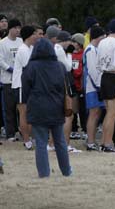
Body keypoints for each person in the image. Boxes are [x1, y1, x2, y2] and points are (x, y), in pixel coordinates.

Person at [22, 38, 72, 178]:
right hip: (56, 107)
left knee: (41, 143)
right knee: (60, 141)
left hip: (37, 107)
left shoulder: (30, 67)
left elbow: (25, 90)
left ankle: (44, 173)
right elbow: (64, 88)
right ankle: (66, 171)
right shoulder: (60, 66)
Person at [97, 19, 115, 152]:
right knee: (113, 114)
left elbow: (98, 63)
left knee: (108, 112)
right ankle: (108, 143)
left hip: (104, 76)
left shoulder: (102, 42)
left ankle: (104, 142)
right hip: (114, 77)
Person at [11, 25, 43, 150]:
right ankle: (26, 140)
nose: (37, 36)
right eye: (35, 34)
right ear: (29, 35)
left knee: (30, 113)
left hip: (29, 85)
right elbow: (29, 68)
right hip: (20, 85)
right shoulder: (23, 50)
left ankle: (30, 138)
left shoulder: (31, 48)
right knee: (23, 113)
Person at [83, 26, 106, 151]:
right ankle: (90, 142)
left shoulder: (95, 49)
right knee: (93, 114)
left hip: (96, 86)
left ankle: (92, 141)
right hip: (93, 87)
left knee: (97, 114)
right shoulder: (91, 50)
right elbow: (92, 70)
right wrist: (98, 86)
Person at [0, 19, 22, 141]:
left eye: (19, 28)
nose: (17, 30)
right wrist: (10, 69)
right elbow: (1, 60)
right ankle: (10, 133)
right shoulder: (3, 43)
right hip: (8, 79)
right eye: (15, 28)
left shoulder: (20, 41)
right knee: (9, 108)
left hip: (19, 80)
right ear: (10, 29)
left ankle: (21, 130)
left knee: (21, 107)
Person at [70, 33, 86, 140]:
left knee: (83, 109)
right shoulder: (70, 54)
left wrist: (75, 71)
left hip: (81, 85)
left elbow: (78, 71)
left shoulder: (83, 54)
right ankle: (74, 129)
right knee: (73, 108)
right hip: (73, 85)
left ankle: (85, 129)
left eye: (74, 42)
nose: (72, 44)